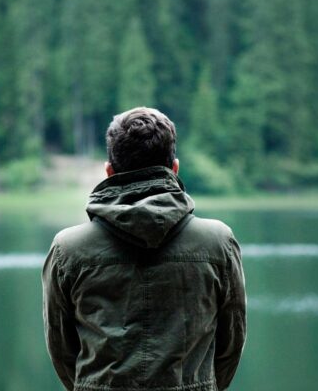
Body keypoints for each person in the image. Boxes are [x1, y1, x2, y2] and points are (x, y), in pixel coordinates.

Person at [42, 107, 246, 391]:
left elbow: (62, 350)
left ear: (109, 171)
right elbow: (231, 344)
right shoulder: (218, 242)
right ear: (174, 168)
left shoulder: (68, 249)